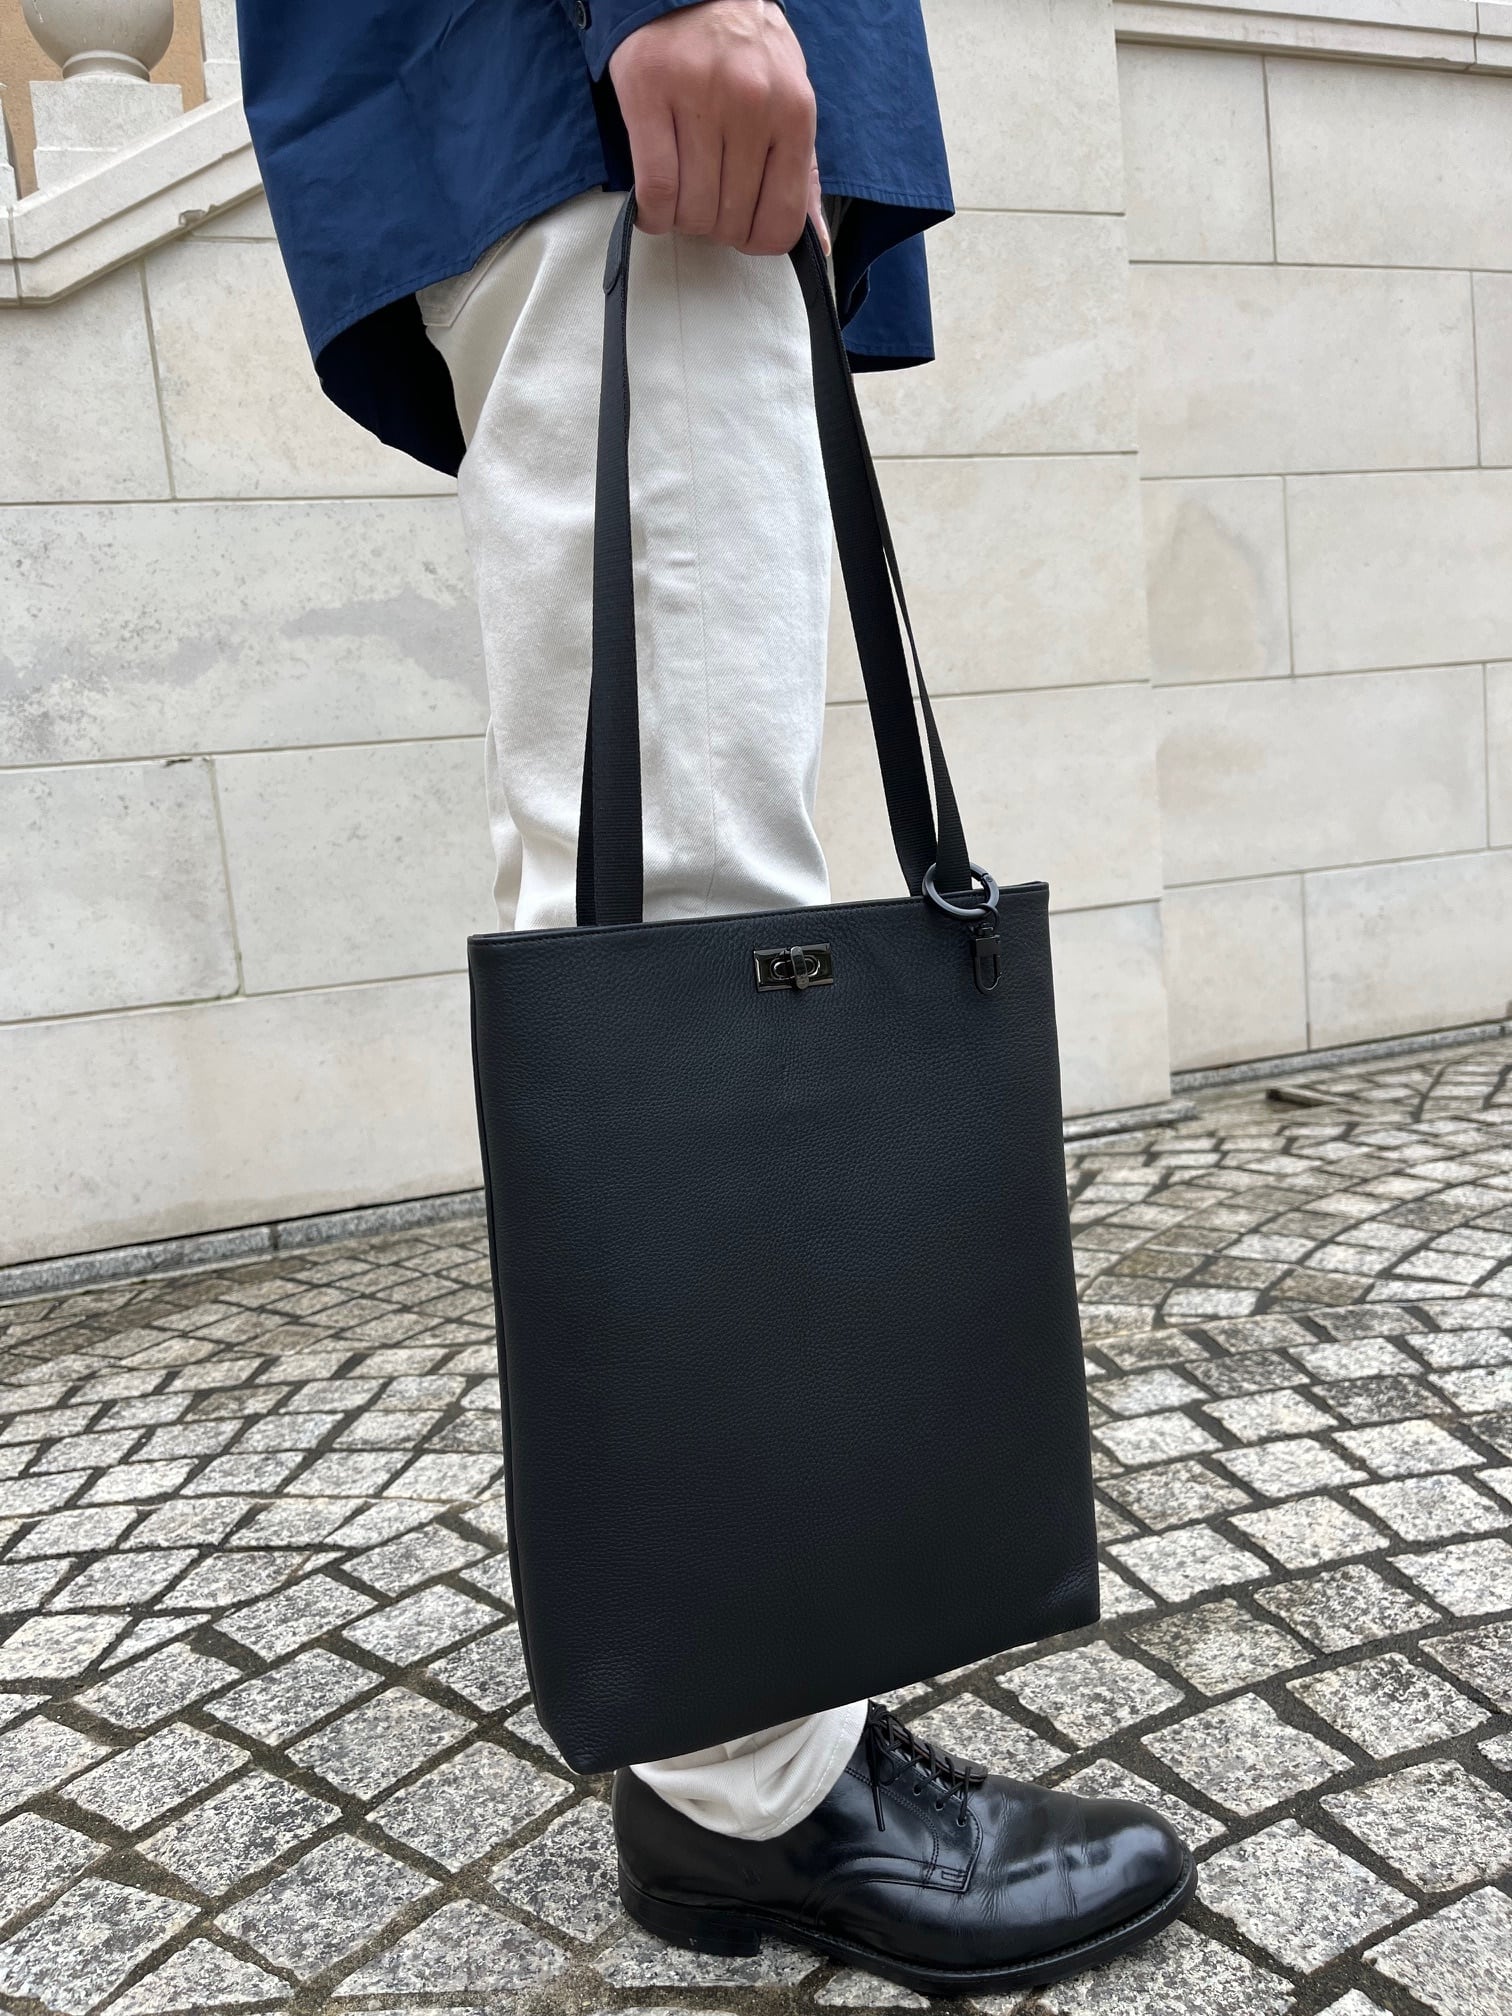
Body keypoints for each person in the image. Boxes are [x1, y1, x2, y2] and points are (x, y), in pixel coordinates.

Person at [238, 0, 1196, 1992]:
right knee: (682, 907)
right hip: (618, 102)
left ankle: (748, 1744)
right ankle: (750, 1787)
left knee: (671, 901)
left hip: (594, 110)